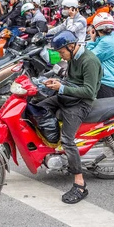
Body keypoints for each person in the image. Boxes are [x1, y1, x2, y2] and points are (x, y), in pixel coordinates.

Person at [38, 30, 102, 204]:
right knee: (38, 108)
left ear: (71, 46)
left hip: (81, 103)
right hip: (68, 96)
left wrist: (62, 88)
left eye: (61, 52)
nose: (60, 56)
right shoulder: (72, 58)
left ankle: (80, 183)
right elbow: (71, 81)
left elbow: (89, 91)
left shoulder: (89, 61)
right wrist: (53, 83)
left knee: (67, 140)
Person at [87, 13, 114, 98]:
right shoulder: (108, 38)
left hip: (110, 84)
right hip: (108, 80)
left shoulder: (107, 42)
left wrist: (91, 40)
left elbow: (88, 58)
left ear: (95, 29)